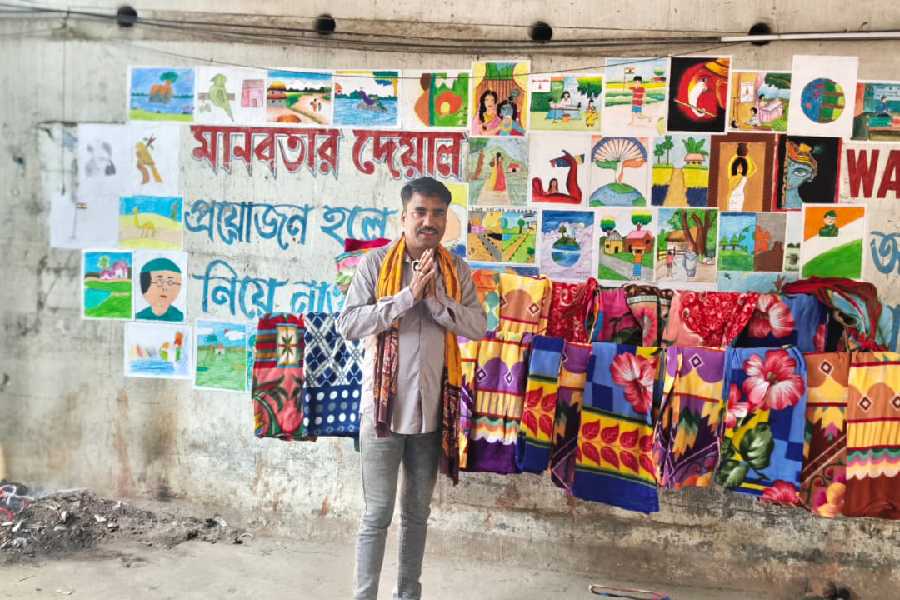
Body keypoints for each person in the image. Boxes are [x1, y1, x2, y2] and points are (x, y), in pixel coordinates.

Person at [337, 177, 487, 600]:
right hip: (383, 414)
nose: (428, 221)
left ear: (446, 220)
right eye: (420, 212)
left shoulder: (456, 271)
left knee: (418, 515)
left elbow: (477, 326)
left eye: (438, 213)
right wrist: (407, 297)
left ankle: (408, 596)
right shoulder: (375, 265)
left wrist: (437, 301)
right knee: (377, 514)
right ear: (403, 217)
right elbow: (348, 324)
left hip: (432, 413)